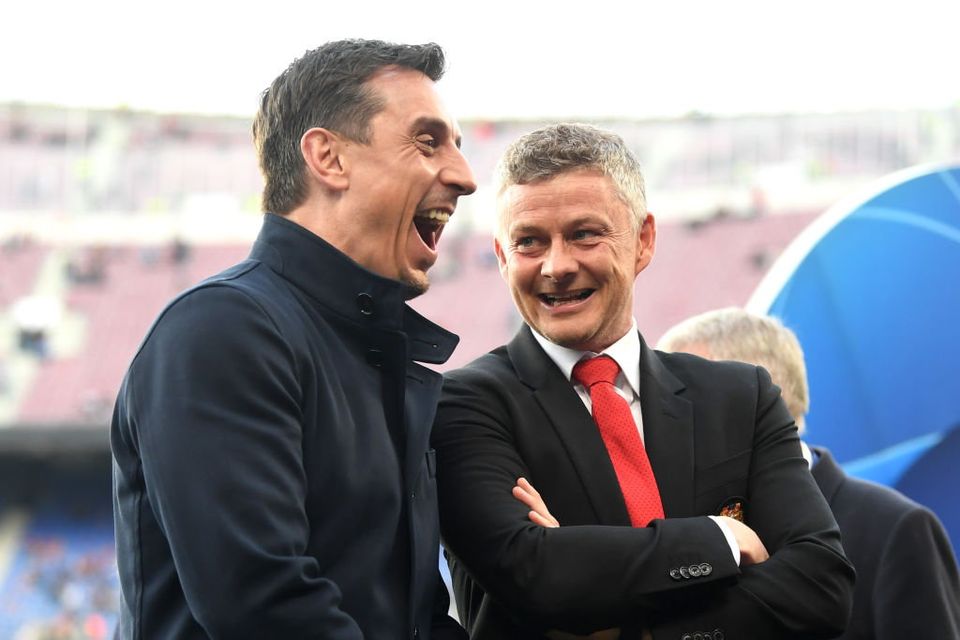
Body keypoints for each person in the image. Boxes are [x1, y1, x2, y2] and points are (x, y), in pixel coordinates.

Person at [111, 39, 477, 639]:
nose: (464, 177)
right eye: (428, 141)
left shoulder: (375, 350)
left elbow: (413, 618)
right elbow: (265, 607)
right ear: (328, 158)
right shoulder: (224, 329)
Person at [432, 123, 854, 639]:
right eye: (529, 242)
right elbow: (535, 574)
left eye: (584, 234)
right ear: (501, 257)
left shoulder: (743, 398)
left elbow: (822, 586)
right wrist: (718, 539)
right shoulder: (464, 405)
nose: (556, 265)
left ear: (643, 240)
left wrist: (628, 618)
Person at [658, 307, 960, 640]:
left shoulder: (894, 528)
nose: (664, 419)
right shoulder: (681, 530)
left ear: (759, 400)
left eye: (683, 396)